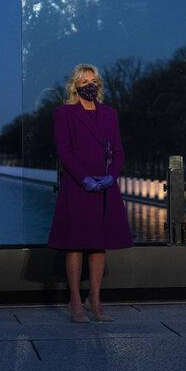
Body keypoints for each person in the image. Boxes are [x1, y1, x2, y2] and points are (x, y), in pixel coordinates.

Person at [47, 64, 132, 323]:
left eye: (93, 80)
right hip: (77, 185)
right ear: (75, 85)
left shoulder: (110, 114)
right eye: (84, 80)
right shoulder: (64, 114)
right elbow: (64, 152)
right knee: (75, 246)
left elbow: (118, 151)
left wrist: (111, 176)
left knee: (99, 246)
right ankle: (75, 302)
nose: (89, 85)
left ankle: (95, 302)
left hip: (104, 187)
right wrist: (84, 178)